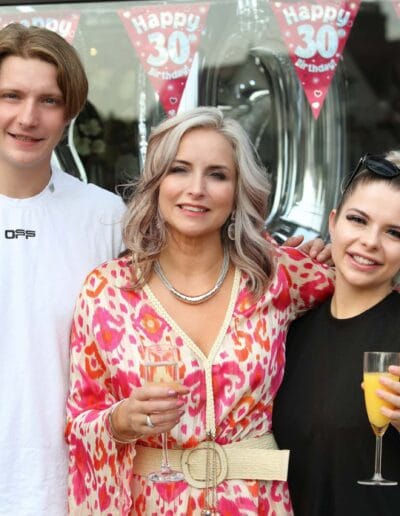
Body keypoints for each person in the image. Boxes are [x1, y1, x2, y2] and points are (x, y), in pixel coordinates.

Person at [66, 106, 334, 515]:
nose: (197, 189)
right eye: (180, 169)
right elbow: (79, 422)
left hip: (256, 505)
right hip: (151, 505)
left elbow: (367, 294)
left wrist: (335, 255)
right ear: (157, 182)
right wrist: (121, 420)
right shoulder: (107, 291)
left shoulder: (275, 273)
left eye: (217, 175)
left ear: (238, 190)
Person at [0, 23, 125, 515]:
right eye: (11, 95)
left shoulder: (106, 217)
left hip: (69, 488)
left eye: (48, 100)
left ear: (69, 111)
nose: (27, 117)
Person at [273, 151, 400, 516]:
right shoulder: (289, 331)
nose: (370, 241)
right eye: (358, 220)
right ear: (333, 223)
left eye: (394, 232)